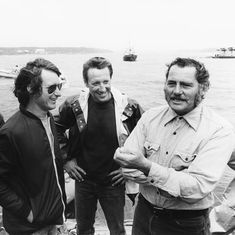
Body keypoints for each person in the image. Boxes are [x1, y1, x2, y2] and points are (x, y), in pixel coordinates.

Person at [114, 57, 235, 235]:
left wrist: (146, 166)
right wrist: (176, 181)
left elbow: (196, 188)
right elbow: (127, 169)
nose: (176, 91)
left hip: (186, 224)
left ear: (203, 88)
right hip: (143, 213)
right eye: (171, 83)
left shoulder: (219, 130)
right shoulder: (149, 118)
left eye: (186, 85)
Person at [55, 56, 143, 235]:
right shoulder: (74, 105)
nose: (102, 88)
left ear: (111, 79)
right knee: (84, 229)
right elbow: (54, 128)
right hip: (83, 180)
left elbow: (147, 140)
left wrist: (129, 169)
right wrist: (66, 160)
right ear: (86, 83)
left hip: (113, 180)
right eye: (95, 83)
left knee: (117, 230)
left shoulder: (130, 107)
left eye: (106, 81)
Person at [0, 58, 68, 235]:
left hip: (53, 221)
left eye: (60, 86)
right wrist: (28, 213)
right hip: (29, 228)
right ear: (31, 88)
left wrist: (59, 217)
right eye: (52, 88)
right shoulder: (11, 132)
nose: (58, 93)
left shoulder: (49, 119)